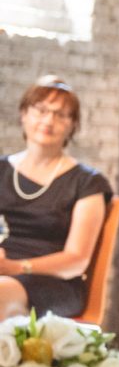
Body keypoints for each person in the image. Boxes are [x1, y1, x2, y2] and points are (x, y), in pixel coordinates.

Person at [0, 76, 112, 320]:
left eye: (61, 115)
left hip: (54, 282)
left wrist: (16, 267)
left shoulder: (87, 182)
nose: (48, 120)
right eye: (41, 111)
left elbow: (77, 260)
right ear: (24, 114)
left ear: (72, 125)